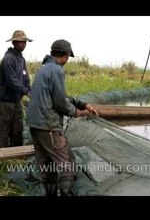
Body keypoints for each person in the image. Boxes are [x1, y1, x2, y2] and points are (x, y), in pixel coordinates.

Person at [26, 39, 99, 196]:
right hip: (48, 125)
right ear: (65, 56)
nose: (67, 61)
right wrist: (75, 112)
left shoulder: (43, 69)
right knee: (68, 165)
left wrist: (81, 104)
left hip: (35, 125)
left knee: (47, 166)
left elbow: (58, 96)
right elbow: (60, 101)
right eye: (67, 57)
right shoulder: (57, 70)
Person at [0, 30, 33, 148]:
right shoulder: (8, 59)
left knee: (17, 130)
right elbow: (12, 81)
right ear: (14, 42)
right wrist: (26, 91)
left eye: (25, 42)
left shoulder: (21, 59)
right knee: (4, 130)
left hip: (16, 101)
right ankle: (2, 158)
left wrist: (30, 89)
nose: (23, 44)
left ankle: (16, 156)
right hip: (5, 102)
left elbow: (25, 77)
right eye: (21, 42)